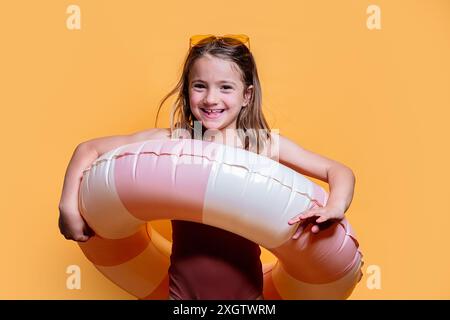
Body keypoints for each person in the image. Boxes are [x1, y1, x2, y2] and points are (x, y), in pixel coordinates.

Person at [58, 34, 356, 300]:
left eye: (225, 87)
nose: (211, 99)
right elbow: (89, 149)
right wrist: (68, 207)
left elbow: (339, 171)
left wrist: (335, 205)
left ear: (246, 96)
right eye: (200, 86)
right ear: (188, 91)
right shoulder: (174, 140)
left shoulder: (260, 145)